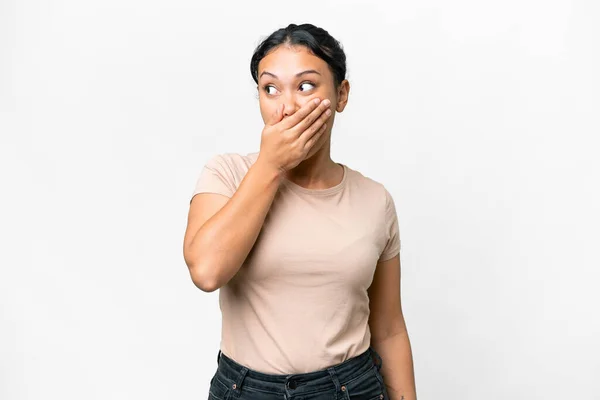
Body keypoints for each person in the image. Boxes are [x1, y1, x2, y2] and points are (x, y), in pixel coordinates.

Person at [183, 23, 417, 400]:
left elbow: (389, 328)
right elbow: (207, 271)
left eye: (306, 86)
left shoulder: (375, 200)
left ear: (341, 94)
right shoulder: (226, 174)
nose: (286, 106)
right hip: (246, 390)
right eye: (270, 88)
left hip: (349, 388)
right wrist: (270, 166)